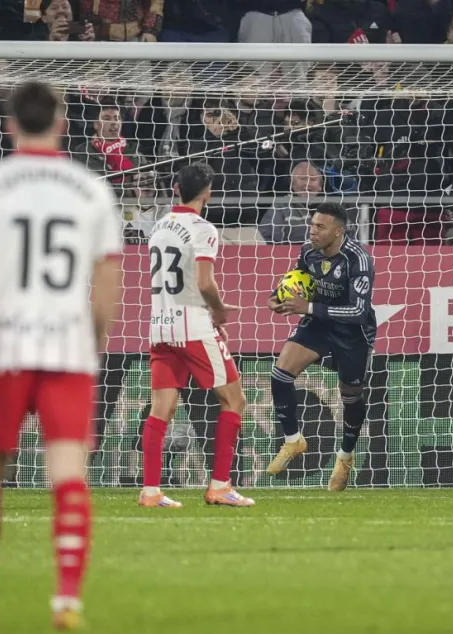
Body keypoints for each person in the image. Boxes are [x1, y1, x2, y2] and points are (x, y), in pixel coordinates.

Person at [0, 81, 123, 630]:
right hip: (67, 347)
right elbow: (108, 274)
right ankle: (66, 600)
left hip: (5, 346)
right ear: (61, 122)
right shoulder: (90, 189)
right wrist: (95, 338)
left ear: (10, 123)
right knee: (68, 473)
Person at [138, 162, 253, 509]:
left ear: (175, 188)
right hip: (193, 325)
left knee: (162, 409)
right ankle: (219, 485)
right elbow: (204, 282)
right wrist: (219, 311)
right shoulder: (203, 229)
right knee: (234, 400)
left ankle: (151, 491)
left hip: (160, 323)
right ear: (208, 193)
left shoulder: (159, 226)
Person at [265, 202, 376, 492]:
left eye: (320, 227)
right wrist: (276, 299)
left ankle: (345, 457)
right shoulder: (308, 251)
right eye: (312, 224)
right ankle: (293, 440)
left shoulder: (358, 260)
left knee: (351, 396)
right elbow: (295, 280)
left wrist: (309, 306)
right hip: (318, 323)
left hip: (352, 332)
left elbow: (359, 312)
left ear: (339, 231)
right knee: (280, 374)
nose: (312, 231)